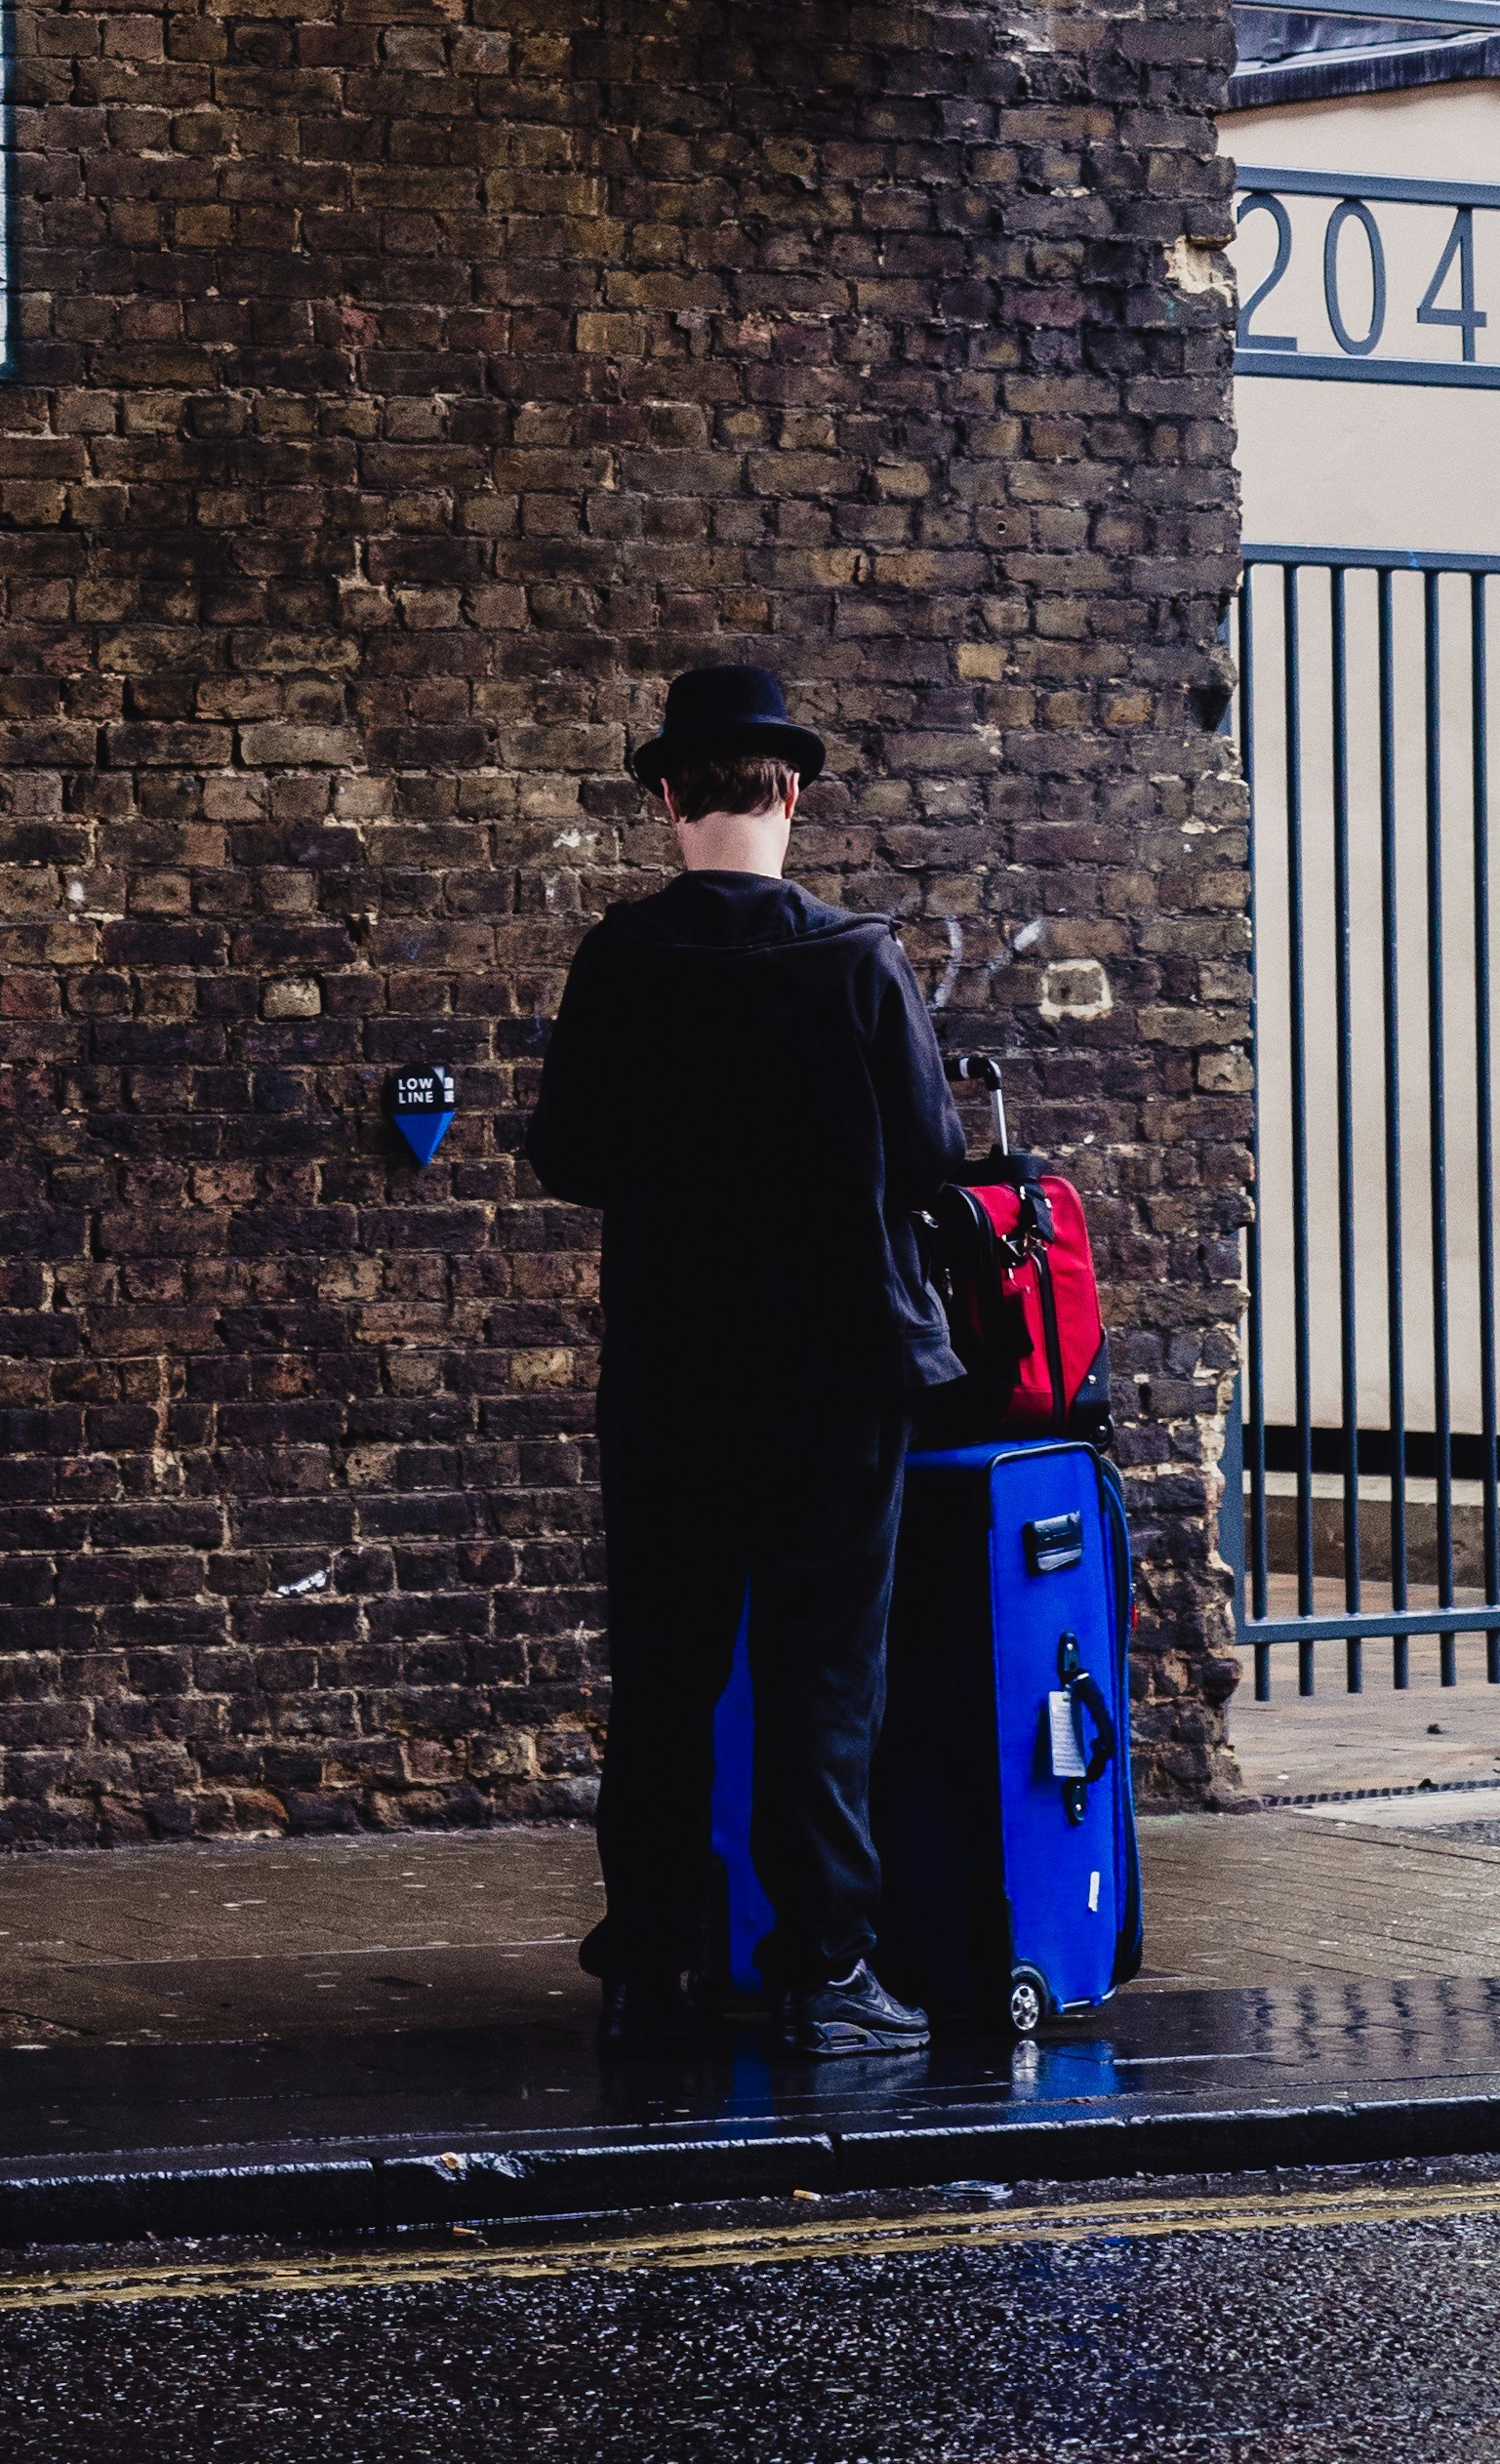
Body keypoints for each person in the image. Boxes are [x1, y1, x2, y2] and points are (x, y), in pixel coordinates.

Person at [525, 664, 967, 2057]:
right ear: (793, 793)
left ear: (666, 797)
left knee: (664, 1678)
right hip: (836, 1387)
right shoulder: (855, 959)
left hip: (671, 1382)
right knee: (821, 1680)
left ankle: (649, 1959)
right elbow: (931, 1159)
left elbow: (572, 1156)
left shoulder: (621, 958)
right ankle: (823, 1971)